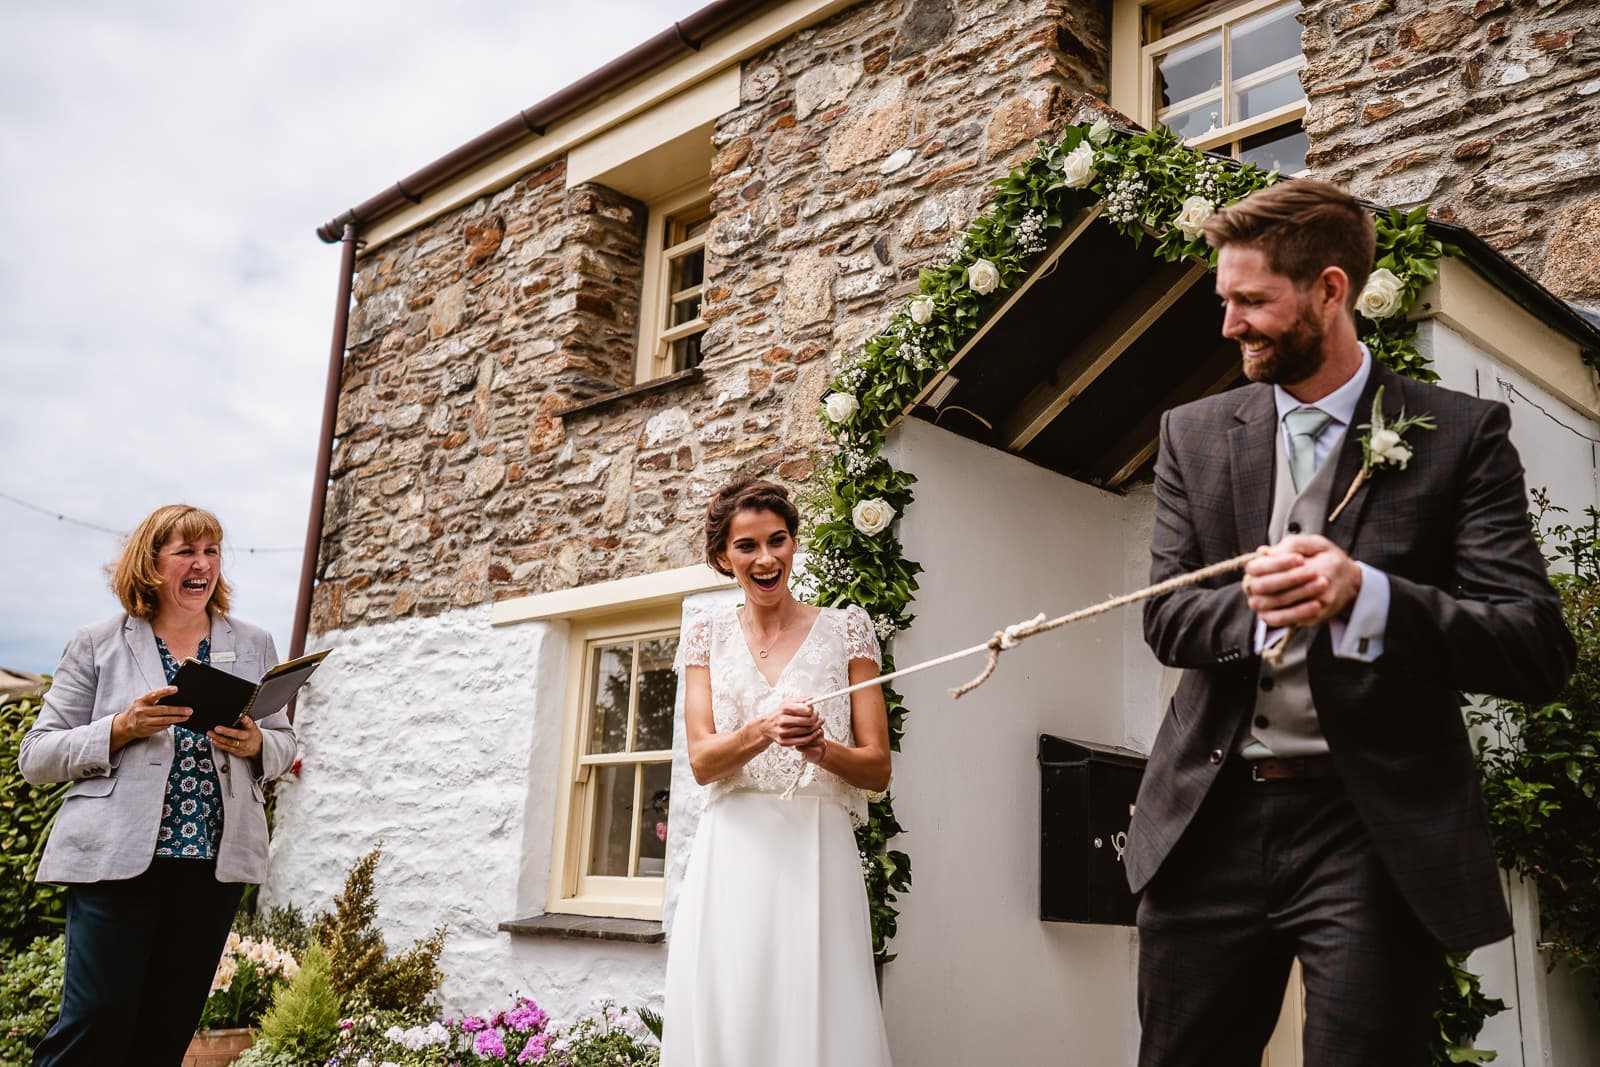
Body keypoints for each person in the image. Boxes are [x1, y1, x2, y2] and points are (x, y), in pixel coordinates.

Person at [1125, 179, 1575, 1066]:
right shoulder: (1194, 431)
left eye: (1252, 301)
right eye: (1226, 300)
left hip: (1369, 827)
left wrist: (1366, 595)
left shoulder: (1461, 434)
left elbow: (1533, 646)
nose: (1229, 326)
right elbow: (1169, 617)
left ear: (1332, 290)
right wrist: (1252, 605)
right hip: (1208, 819)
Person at [20, 504, 297, 1066]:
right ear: (151, 564)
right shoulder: (97, 642)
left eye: (212, 551)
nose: (202, 564)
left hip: (212, 862)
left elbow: (285, 741)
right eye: (186, 552)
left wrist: (256, 744)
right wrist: (120, 728)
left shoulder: (253, 642)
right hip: (114, 860)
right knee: (96, 1017)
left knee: (167, 1027)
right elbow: (36, 755)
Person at [662, 476, 894, 1067]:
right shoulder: (705, 634)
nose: (766, 558)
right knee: (734, 1003)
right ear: (722, 557)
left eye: (778, 540)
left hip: (816, 848)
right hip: (733, 848)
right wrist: (762, 730)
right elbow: (702, 761)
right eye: (747, 546)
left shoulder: (848, 629)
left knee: (816, 1002)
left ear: (793, 544)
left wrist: (820, 750)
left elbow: (877, 769)